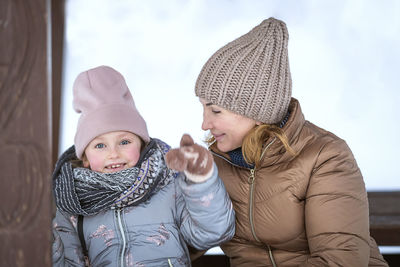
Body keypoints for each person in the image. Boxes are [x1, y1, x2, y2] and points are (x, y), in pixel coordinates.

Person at [192, 17, 388, 266]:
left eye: (216, 111)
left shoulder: (325, 156)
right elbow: (176, 245)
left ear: (257, 112)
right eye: (203, 109)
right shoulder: (215, 163)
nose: (205, 124)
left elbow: (339, 260)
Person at [51, 65, 235, 267]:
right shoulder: (73, 204)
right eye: (100, 145)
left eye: (124, 142)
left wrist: (200, 182)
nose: (113, 153)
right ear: (84, 158)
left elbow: (211, 233)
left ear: (142, 144)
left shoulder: (167, 185)